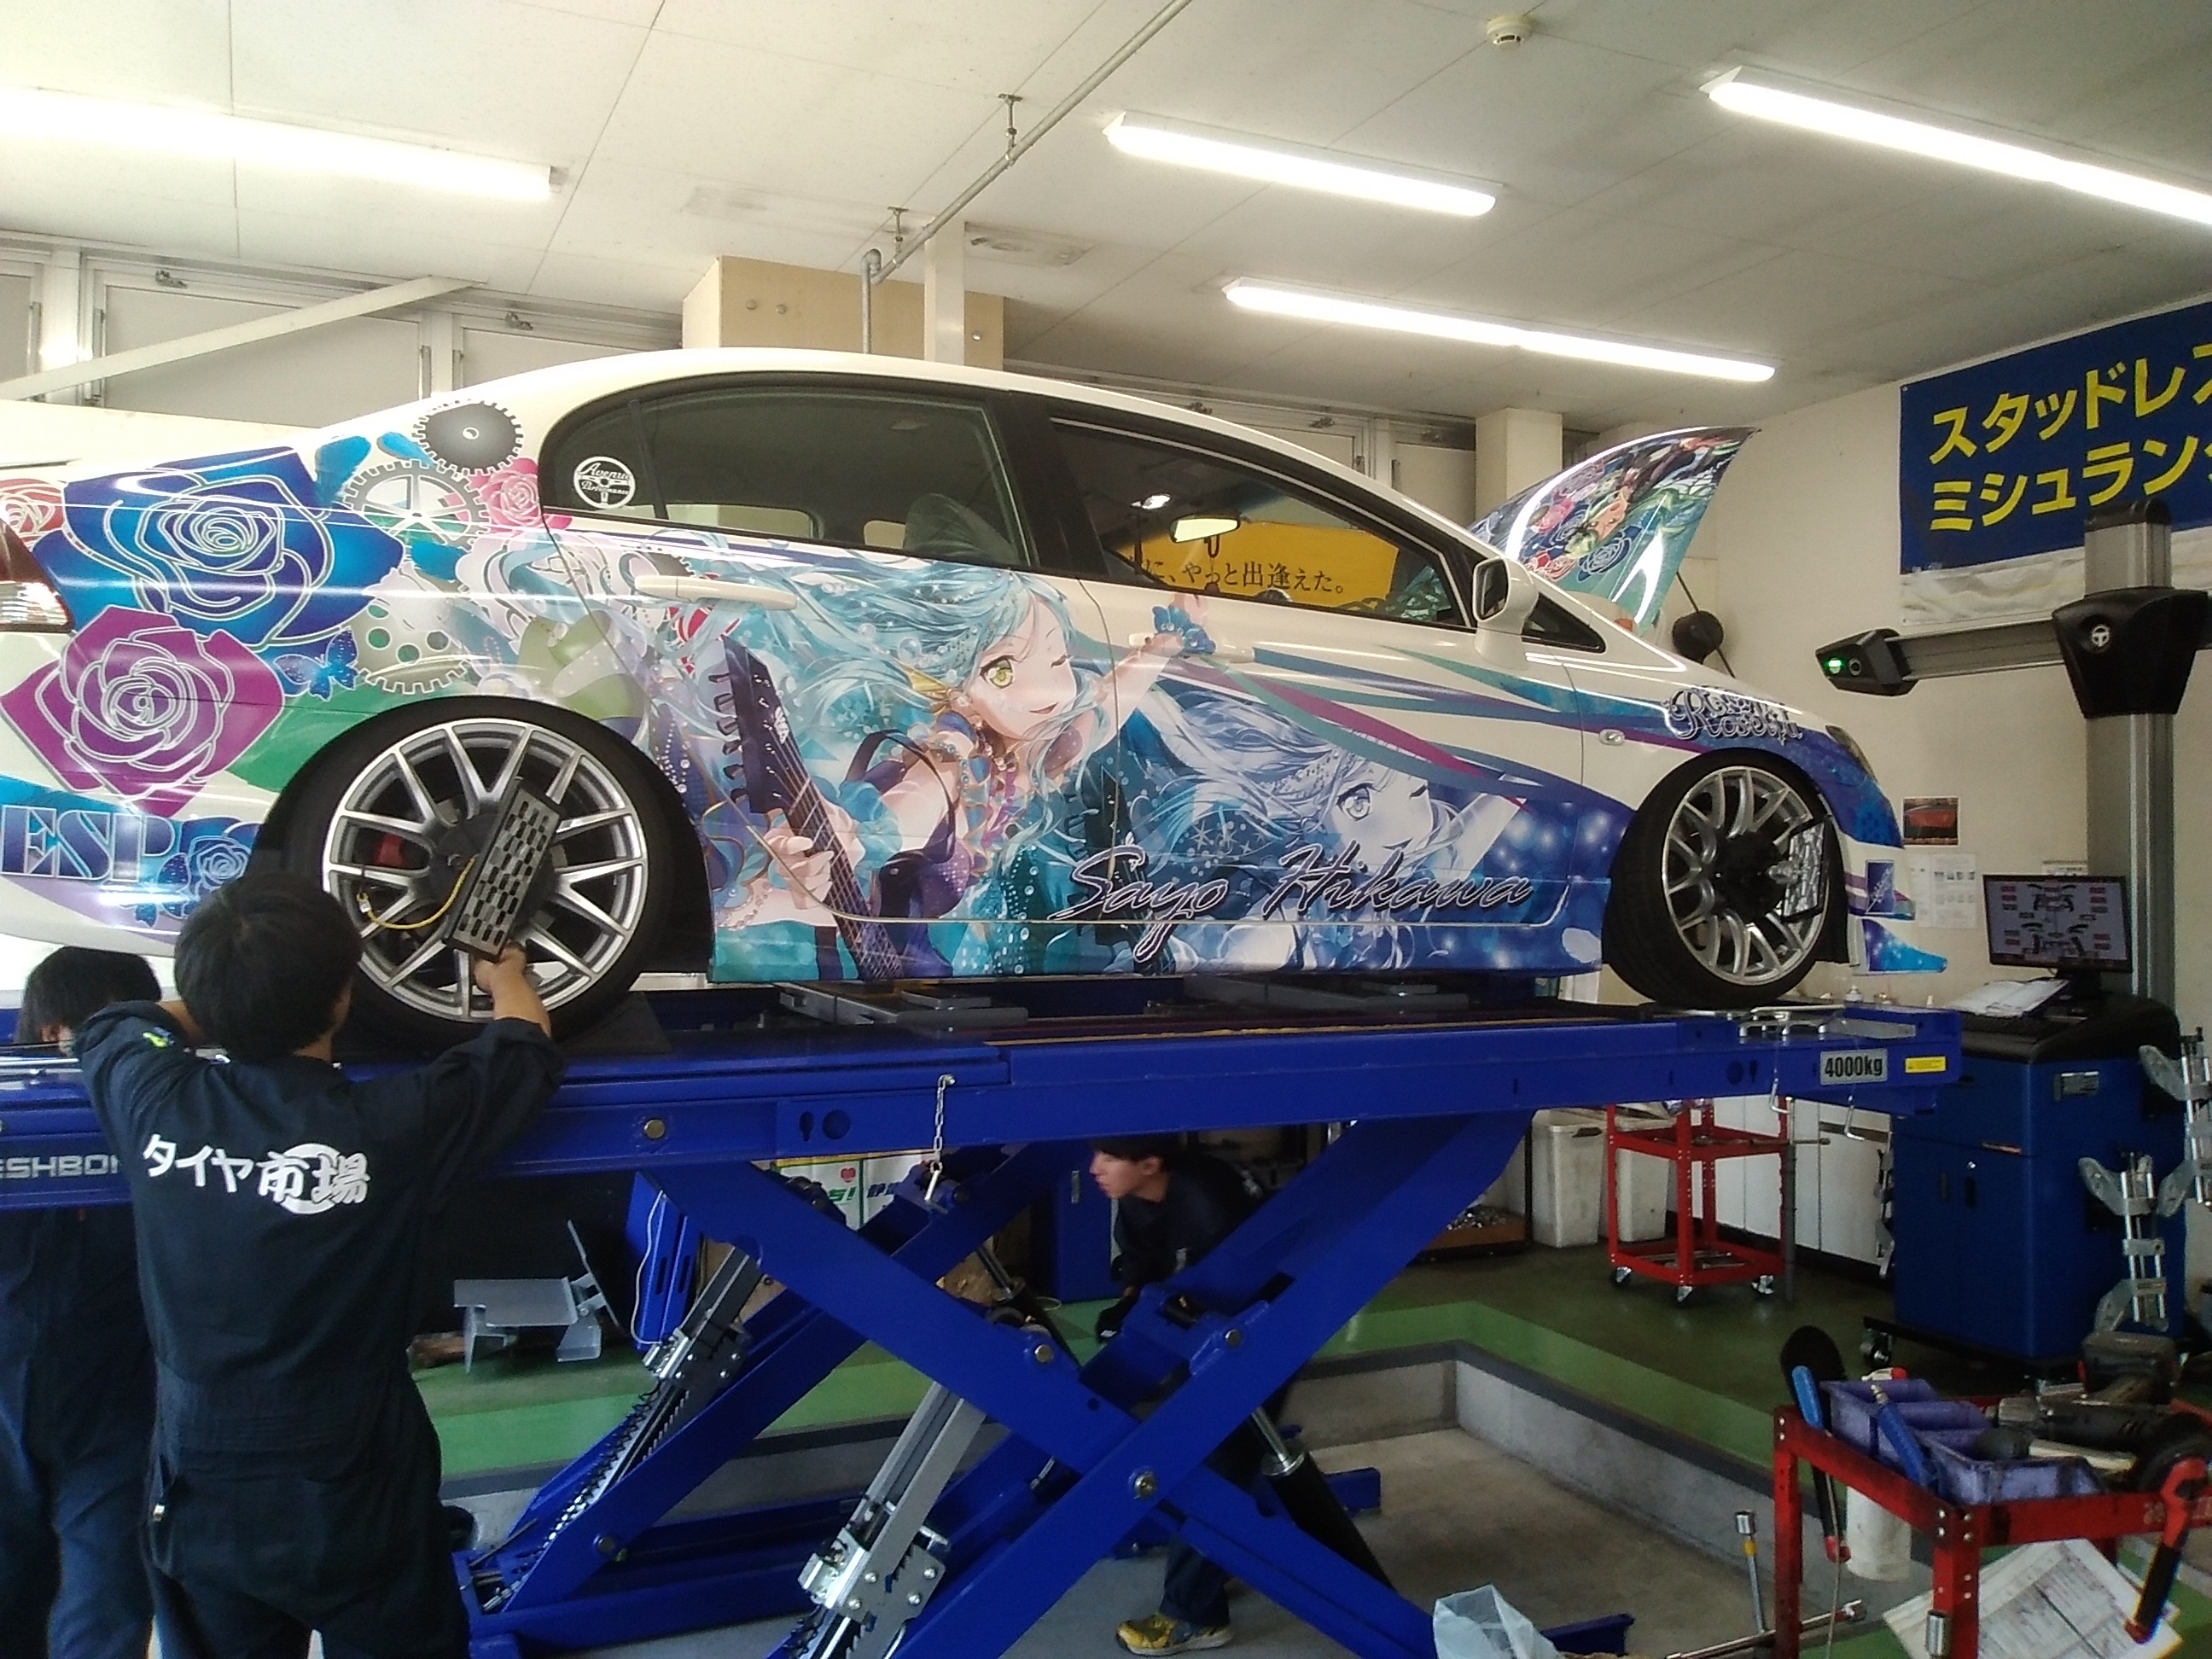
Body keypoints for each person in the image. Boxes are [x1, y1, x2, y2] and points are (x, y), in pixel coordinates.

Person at [73, 872, 566, 1659]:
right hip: (353, 1468)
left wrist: (232, 997)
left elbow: (115, 1025)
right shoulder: (391, 1127)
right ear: (343, 996)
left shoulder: (155, 1102)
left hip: (200, 1472)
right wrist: (504, 972)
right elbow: (522, 1049)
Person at [0, 947, 162, 1659]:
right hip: (5, 1408)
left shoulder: (161, 1120)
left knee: (105, 1613)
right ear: (51, 1034)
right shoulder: (11, 1122)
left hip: (116, 1414)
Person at [1089, 1135, 1262, 1657]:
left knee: (1211, 1461)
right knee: (1223, 1455)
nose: (1095, 1167)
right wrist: (1130, 1303)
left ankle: (1196, 1616)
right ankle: (1220, 1563)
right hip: (1204, 1333)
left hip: (1255, 1333)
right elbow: (1141, 1262)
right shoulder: (1134, 1197)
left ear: (1150, 1164)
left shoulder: (1210, 1197)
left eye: (1109, 1158)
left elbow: (1242, 1282)